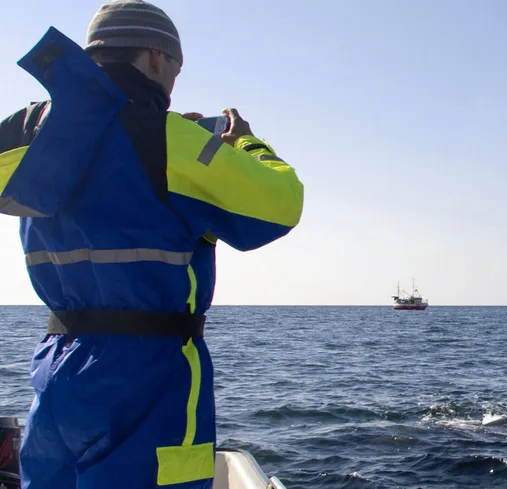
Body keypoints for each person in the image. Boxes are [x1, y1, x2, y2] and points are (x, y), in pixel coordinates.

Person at [0, 1, 304, 487]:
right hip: (149, 379)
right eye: (176, 70)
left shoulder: (33, 134)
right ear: (157, 58)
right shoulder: (170, 140)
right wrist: (246, 145)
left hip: (59, 367)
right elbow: (280, 206)